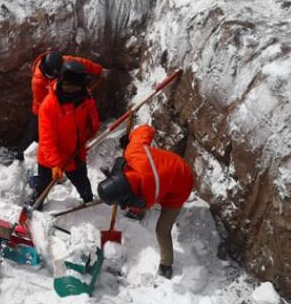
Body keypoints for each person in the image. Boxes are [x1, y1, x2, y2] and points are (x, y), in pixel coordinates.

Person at [97, 124, 194, 279]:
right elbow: (146, 129)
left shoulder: (147, 195)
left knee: (162, 230)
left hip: (182, 183)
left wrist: (132, 206)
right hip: (171, 163)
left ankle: (166, 265)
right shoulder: (133, 151)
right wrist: (130, 139)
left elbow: (141, 204)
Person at [32, 60, 100, 208]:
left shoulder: (85, 97)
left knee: (82, 181)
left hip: (75, 153)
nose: (71, 90)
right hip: (50, 157)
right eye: (68, 85)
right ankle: (36, 204)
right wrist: (55, 164)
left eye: (75, 87)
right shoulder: (49, 106)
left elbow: (92, 114)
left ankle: (88, 199)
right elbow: (46, 138)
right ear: (61, 81)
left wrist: (93, 128)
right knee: (44, 184)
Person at [15, 50, 104, 161]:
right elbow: (44, 104)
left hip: (64, 102)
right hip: (42, 109)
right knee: (36, 133)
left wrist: (99, 70)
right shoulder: (38, 81)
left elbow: (83, 63)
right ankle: (21, 156)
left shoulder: (64, 62)